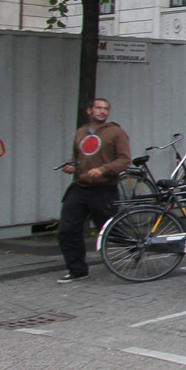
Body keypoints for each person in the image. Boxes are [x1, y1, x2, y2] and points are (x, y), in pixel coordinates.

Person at [56, 98, 131, 281]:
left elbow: (124, 160)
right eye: (98, 108)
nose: (102, 111)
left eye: (105, 109)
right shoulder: (80, 132)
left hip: (104, 189)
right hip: (80, 187)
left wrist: (102, 169)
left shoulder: (116, 132)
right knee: (67, 230)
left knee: (110, 231)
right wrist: (71, 166)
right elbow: (77, 158)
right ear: (89, 111)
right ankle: (77, 270)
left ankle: (135, 247)